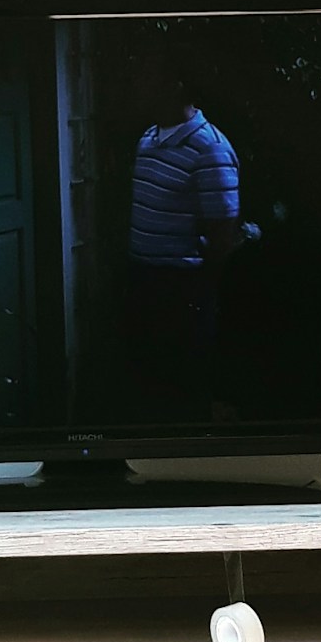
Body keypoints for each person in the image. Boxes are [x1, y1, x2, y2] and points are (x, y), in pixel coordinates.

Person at [124, 72, 241, 418]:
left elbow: (223, 233)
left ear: (174, 86)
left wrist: (198, 289)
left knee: (182, 391)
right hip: (142, 281)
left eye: (149, 79)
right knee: (148, 386)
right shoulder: (148, 139)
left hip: (181, 290)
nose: (140, 87)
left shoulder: (210, 148)